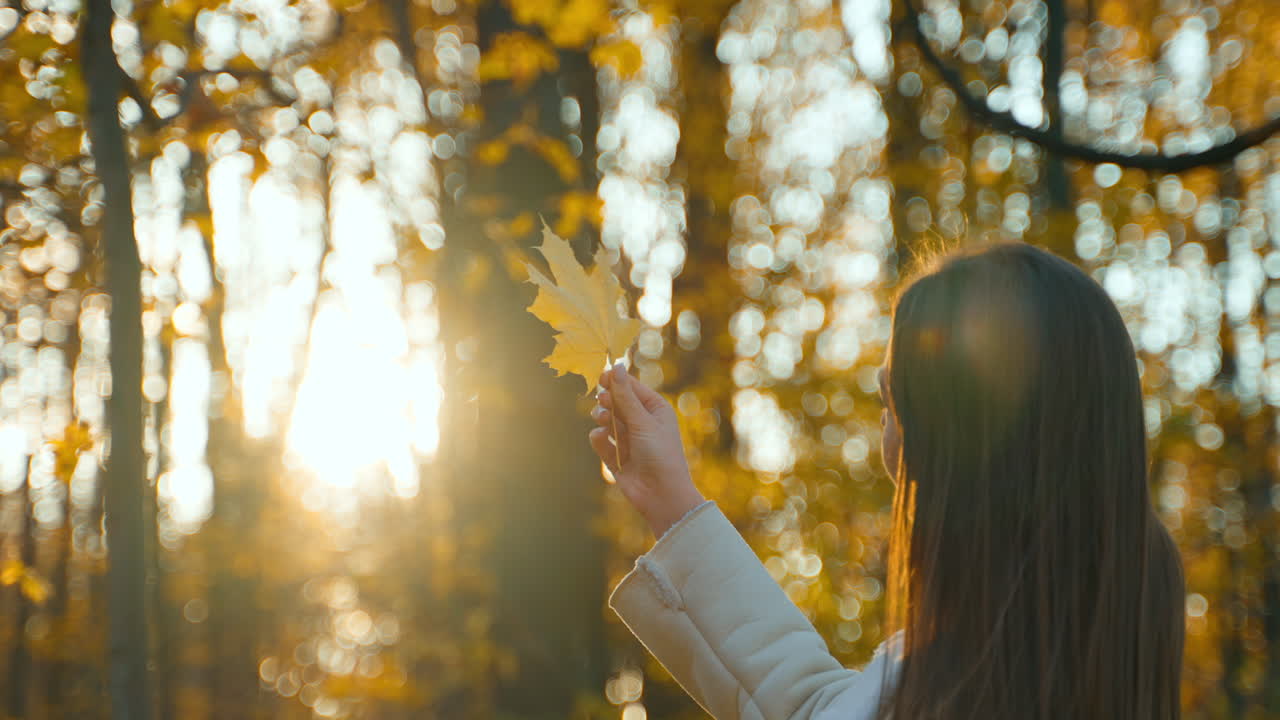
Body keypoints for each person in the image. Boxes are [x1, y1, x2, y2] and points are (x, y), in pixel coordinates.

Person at [589, 241, 1186, 720]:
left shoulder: (962, 683)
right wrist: (672, 504)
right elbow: (816, 705)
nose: (886, 437)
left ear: (949, 445)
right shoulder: (1075, 647)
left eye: (891, 402)